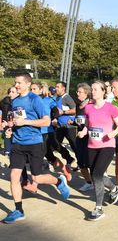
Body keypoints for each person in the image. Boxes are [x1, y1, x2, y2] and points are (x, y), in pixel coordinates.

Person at [2, 73, 70, 224]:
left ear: (27, 84)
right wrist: (10, 128)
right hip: (18, 143)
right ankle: (18, 210)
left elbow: (46, 122)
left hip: (34, 143)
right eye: (15, 82)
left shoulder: (35, 99)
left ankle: (59, 181)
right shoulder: (15, 101)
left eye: (19, 83)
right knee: (14, 176)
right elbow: (16, 120)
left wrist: (25, 122)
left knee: (36, 178)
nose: (16, 85)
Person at [78, 80, 118, 221]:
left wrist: (112, 134)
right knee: (96, 176)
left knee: (97, 175)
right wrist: (84, 132)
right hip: (92, 146)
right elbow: (87, 125)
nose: (93, 91)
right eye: (92, 89)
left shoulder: (111, 108)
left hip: (107, 146)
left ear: (103, 91)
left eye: (96, 89)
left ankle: (98, 208)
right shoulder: (88, 108)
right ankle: (114, 188)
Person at [53, 81, 77, 172]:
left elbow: (74, 110)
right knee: (56, 144)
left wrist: (63, 112)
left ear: (63, 88)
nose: (56, 88)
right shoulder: (57, 98)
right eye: (56, 86)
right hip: (60, 126)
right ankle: (69, 158)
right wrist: (55, 118)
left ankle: (82, 163)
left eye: (58, 87)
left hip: (69, 126)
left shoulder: (67, 97)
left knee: (74, 146)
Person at [74, 83, 93, 192]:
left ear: (86, 93)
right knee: (81, 161)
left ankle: (97, 181)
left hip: (89, 137)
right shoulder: (78, 105)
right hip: (79, 137)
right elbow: (78, 121)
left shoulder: (90, 106)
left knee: (90, 161)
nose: (77, 93)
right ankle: (88, 182)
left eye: (80, 92)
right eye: (77, 91)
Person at [0, 86, 18, 155]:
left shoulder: (20, 102)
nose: (10, 93)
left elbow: (21, 118)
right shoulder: (4, 101)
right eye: (10, 91)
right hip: (6, 125)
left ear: (18, 93)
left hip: (17, 126)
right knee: (8, 147)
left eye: (13, 92)